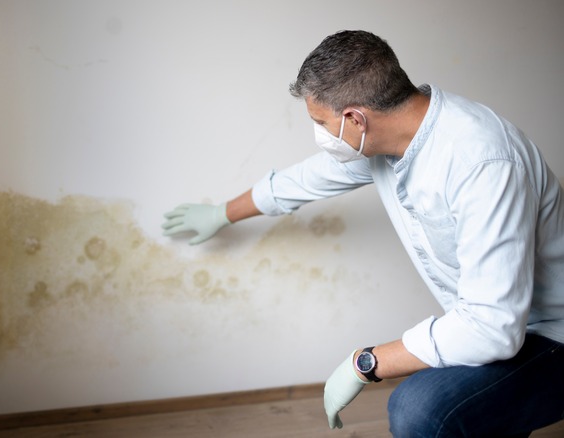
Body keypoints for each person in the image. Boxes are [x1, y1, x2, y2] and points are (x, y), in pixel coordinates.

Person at [161, 30, 564, 437]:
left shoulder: (480, 161)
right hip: (498, 325)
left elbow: (491, 329)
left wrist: (365, 363)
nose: (319, 135)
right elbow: (302, 181)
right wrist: (221, 214)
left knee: (420, 408)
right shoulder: (387, 141)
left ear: (355, 118)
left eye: (320, 122)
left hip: (551, 334)